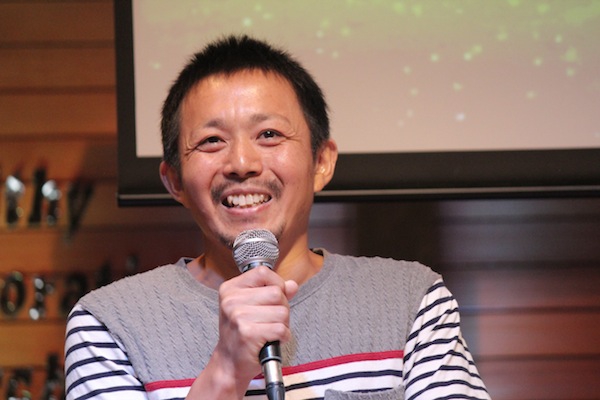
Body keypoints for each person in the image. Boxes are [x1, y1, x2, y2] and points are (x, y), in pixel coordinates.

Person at [64, 35, 490, 400]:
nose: (242, 163)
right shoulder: (110, 324)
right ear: (174, 180)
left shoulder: (411, 300)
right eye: (211, 140)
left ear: (321, 162)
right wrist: (225, 372)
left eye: (269, 134)